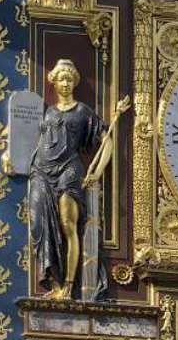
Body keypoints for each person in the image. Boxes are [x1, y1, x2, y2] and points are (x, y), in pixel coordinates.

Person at [27, 59, 129, 300]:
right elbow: (37, 143)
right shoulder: (49, 112)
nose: (64, 83)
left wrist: (99, 169)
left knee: (67, 224)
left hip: (69, 170)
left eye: (69, 79)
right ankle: (53, 282)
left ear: (74, 83)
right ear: (54, 82)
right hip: (41, 170)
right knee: (38, 224)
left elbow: (108, 141)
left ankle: (68, 286)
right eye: (61, 79)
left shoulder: (82, 111)